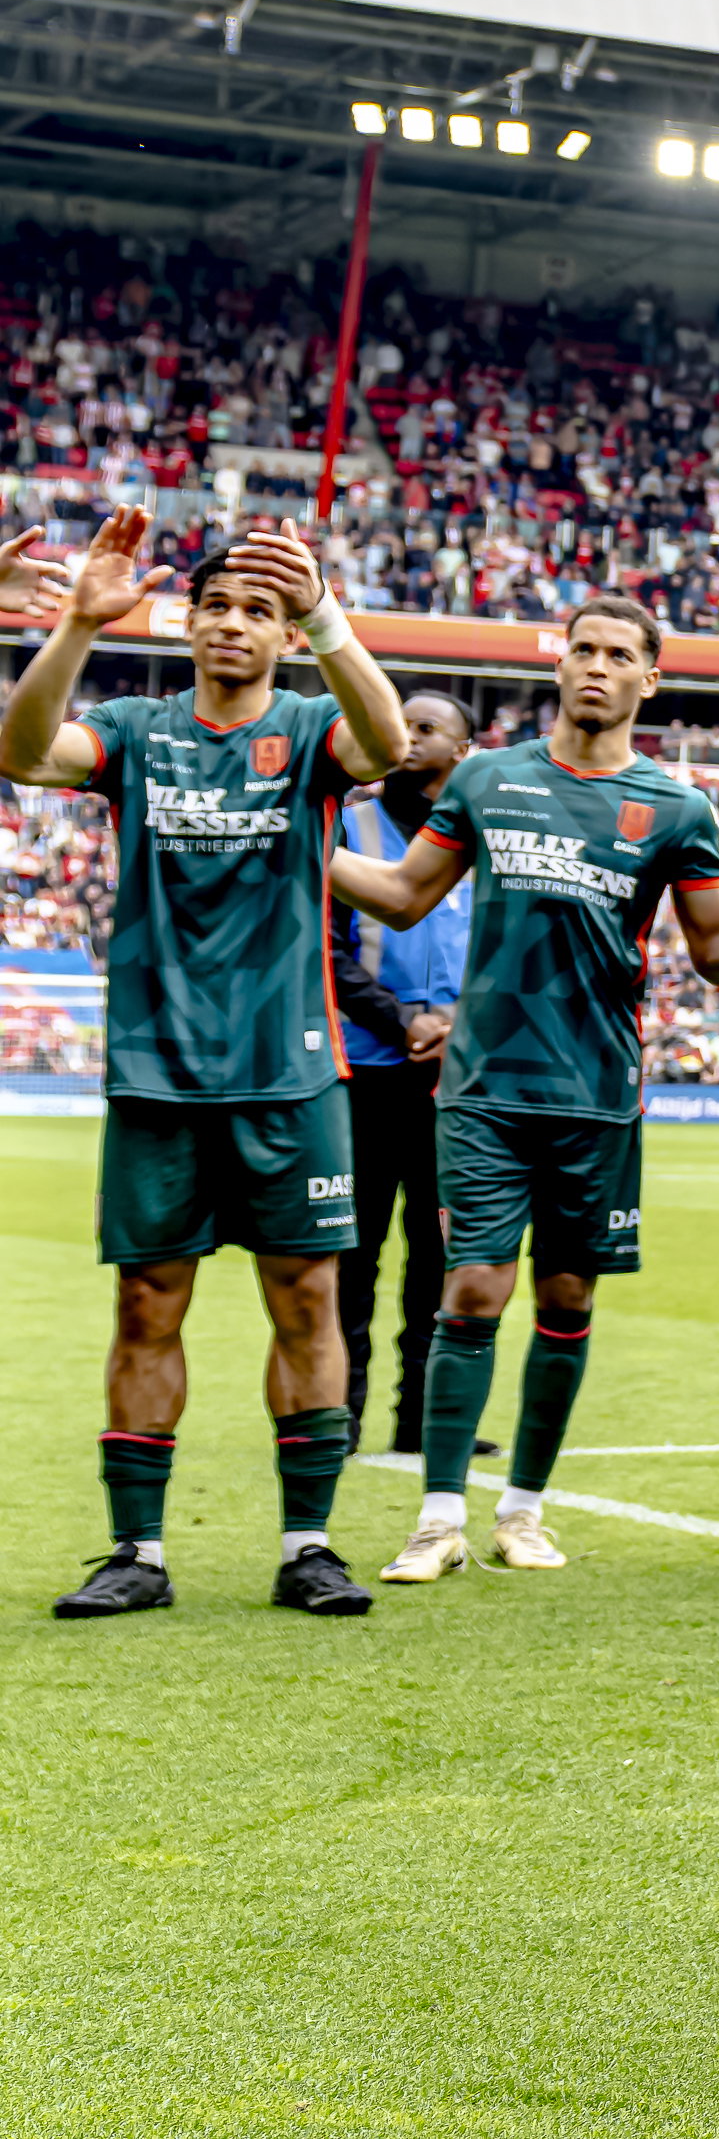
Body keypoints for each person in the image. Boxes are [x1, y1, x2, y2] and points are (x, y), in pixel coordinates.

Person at [330, 596, 719, 1585]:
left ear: (650, 680)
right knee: (471, 1290)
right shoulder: (488, 777)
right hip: (482, 1089)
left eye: (618, 655)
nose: (595, 667)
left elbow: (716, 952)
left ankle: (522, 1510)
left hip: (598, 1093)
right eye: (582, 650)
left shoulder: (678, 808)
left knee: (566, 1294)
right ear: (559, 666)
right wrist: (302, 847)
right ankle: (438, 1519)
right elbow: (402, 894)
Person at [6, 514, 408, 1619]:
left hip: (292, 1071)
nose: (234, 623)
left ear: (285, 634)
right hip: (157, 1075)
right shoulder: (134, 729)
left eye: (260, 611)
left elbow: (385, 747)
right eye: (218, 604)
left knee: (308, 1302)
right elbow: (24, 750)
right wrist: (80, 624)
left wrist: (330, 616)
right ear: (186, 619)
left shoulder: (311, 726)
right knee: (147, 1303)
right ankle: (136, 1550)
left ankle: (308, 1545)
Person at [328, 690, 477, 1457]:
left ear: (462, 750)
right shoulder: (348, 823)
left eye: (427, 729)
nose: (409, 738)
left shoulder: (485, 836)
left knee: (442, 1252)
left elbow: (505, 950)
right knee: (353, 1251)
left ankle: (423, 1418)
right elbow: (326, 947)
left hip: (457, 1079)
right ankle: (339, 1416)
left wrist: (462, 1030)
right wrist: (403, 1019)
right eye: (403, 724)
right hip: (368, 1071)